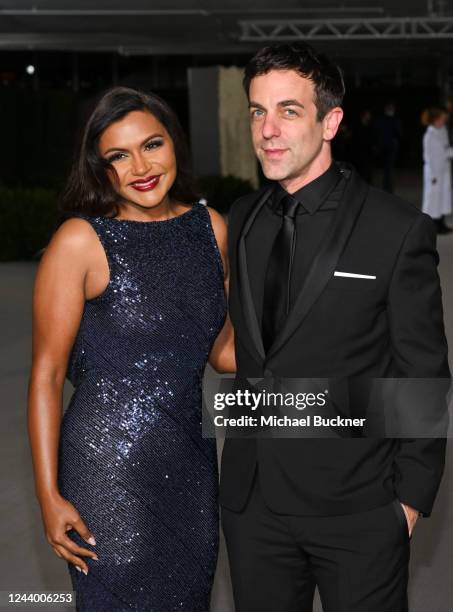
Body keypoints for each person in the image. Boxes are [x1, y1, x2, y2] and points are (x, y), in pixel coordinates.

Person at [220, 43, 450, 612]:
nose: (267, 130)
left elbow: (422, 370)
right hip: (253, 507)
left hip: (359, 508)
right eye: (257, 111)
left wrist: (409, 500)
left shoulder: (396, 229)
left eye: (288, 111)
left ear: (331, 121)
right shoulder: (244, 218)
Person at [27, 86, 235, 611]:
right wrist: (48, 496)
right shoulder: (80, 241)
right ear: (100, 169)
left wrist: (321, 339)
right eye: (118, 155)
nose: (140, 166)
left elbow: (224, 352)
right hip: (106, 471)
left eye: (152, 144)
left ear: (175, 146)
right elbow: (47, 375)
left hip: (190, 466)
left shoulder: (211, 230)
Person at [421, 106, 453, 234]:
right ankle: (431, 226)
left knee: (443, 199)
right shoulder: (429, 135)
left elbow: (446, 149)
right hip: (434, 172)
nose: (444, 121)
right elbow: (427, 157)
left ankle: (441, 224)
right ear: (435, 119)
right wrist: (433, 176)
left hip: (444, 170)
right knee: (432, 200)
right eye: (442, 119)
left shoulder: (442, 130)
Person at [376, 101, 402, 193]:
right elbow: (398, 133)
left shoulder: (388, 119)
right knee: (388, 168)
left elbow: (398, 133)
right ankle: (387, 187)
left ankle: (387, 186)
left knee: (388, 168)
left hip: (388, 146)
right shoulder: (391, 120)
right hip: (387, 146)